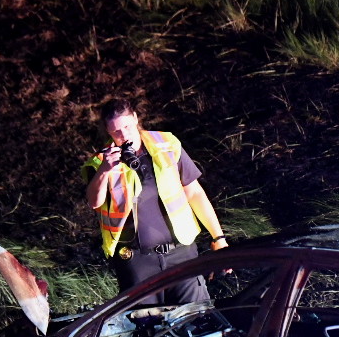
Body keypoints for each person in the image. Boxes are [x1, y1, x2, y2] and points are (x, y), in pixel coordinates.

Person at [81, 98, 228, 304]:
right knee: (147, 325)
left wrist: (218, 238)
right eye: (116, 132)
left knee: (196, 317)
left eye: (127, 127)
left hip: (181, 253)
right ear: (107, 132)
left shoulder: (167, 143)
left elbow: (194, 192)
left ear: (135, 118)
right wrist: (105, 170)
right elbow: (94, 202)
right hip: (136, 260)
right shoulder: (100, 162)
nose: (123, 136)